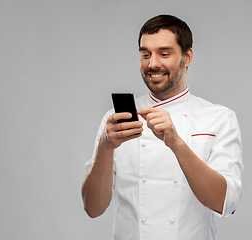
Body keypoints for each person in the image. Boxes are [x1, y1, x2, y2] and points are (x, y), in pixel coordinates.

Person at [81, 14, 243, 240]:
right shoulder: (116, 121)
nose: (152, 63)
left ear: (187, 57)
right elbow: (92, 208)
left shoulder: (219, 118)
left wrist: (176, 143)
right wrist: (105, 147)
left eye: (164, 54)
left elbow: (225, 202)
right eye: (145, 54)